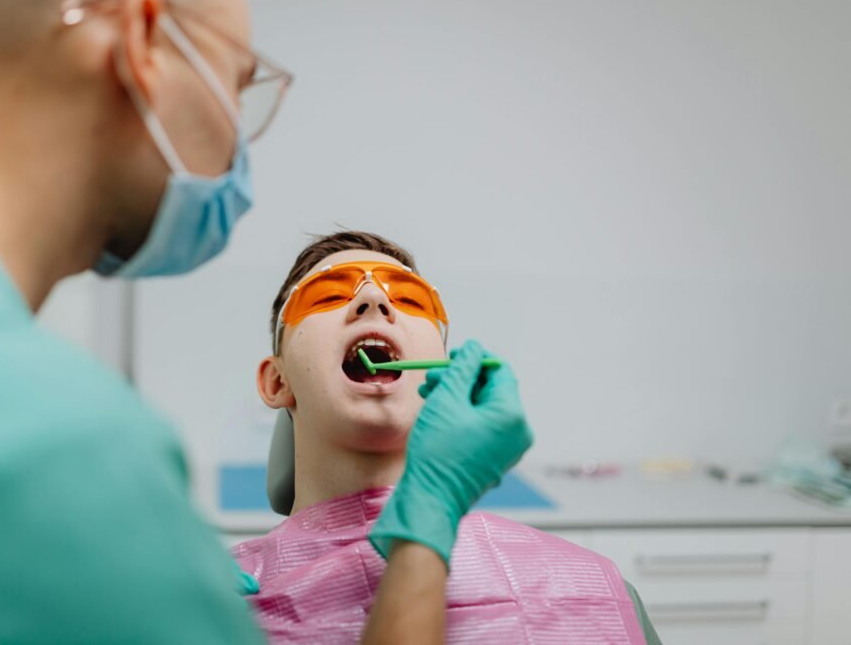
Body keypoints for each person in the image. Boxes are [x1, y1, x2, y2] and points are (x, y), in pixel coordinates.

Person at [0, 0, 532, 643]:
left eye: (402, 295)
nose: (235, 146)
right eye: (236, 84)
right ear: (142, 45)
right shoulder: (60, 454)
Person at [235, 231, 662, 644]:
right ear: (276, 381)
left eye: (409, 298)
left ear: (440, 365)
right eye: (328, 295)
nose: (374, 299)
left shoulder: (601, 591)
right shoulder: (214, 602)